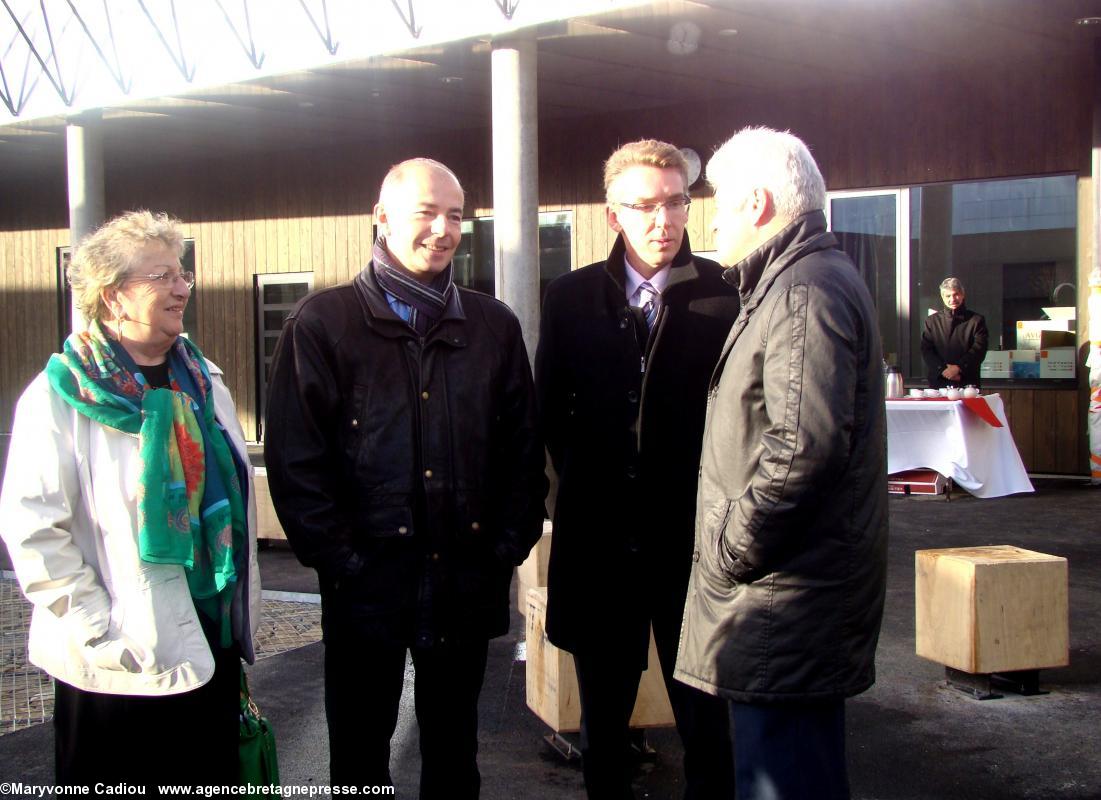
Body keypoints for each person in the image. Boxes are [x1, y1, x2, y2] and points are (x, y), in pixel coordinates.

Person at [263, 157, 546, 797]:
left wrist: (504, 549)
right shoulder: (323, 323)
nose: (443, 230)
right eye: (426, 213)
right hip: (367, 587)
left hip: (465, 581)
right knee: (360, 761)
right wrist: (343, 562)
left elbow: (523, 451)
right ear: (382, 217)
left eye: (455, 215)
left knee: (454, 757)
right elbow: (296, 464)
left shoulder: (492, 325)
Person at [0, 210, 261, 789]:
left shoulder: (204, 379)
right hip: (114, 668)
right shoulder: (60, 395)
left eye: (182, 274)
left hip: (207, 639)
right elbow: (35, 529)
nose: (181, 287)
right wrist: (102, 628)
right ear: (113, 296)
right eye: (161, 276)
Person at [674, 127, 888, 800]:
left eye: (720, 204)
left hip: (781, 608)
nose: (712, 221)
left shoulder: (801, 290)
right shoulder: (795, 281)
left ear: (759, 204)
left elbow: (802, 449)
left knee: (784, 781)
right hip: (787, 606)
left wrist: (729, 548)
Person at [535, 139, 739, 799]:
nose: (664, 219)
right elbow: (549, 417)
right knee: (604, 736)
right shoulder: (567, 299)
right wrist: (576, 498)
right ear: (611, 214)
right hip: (599, 554)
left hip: (695, 553)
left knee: (708, 731)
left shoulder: (723, 294)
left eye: (675, 201)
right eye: (644, 205)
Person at [920, 277, 989, 388]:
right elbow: (926, 349)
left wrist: (958, 368)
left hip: (967, 383)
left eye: (956, 294)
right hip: (938, 383)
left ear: (963, 294)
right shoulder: (932, 321)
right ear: (942, 297)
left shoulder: (976, 320)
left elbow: (979, 349)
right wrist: (942, 370)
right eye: (948, 296)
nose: (952, 299)